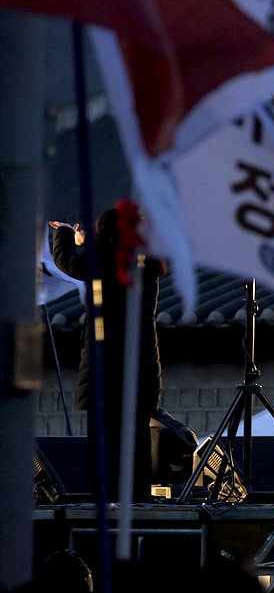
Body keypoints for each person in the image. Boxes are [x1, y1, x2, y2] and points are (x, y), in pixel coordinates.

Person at [50, 201, 165, 503]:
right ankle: (137, 502)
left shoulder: (102, 262)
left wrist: (64, 234)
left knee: (104, 443)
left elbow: (67, 261)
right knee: (137, 440)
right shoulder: (148, 264)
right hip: (142, 364)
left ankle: (106, 504)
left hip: (105, 365)